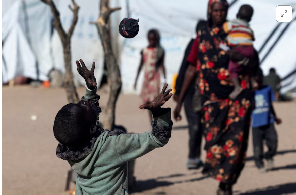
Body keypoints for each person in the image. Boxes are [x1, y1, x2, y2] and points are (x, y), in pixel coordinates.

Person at [173, 0, 259, 194]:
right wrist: (179, 102)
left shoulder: (236, 32)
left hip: (238, 97)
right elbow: (192, 67)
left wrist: (244, 60)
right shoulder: (202, 36)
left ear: (227, 12)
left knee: (235, 143)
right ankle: (222, 179)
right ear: (209, 11)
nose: (219, 14)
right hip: (211, 99)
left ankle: (225, 185)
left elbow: (253, 58)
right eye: (215, 10)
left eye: (222, 10)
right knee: (213, 142)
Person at [53, 59, 173, 195]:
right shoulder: (112, 145)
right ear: (92, 128)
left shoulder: (71, 148)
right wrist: (157, 113)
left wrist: (90, 89)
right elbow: (157, 139)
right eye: (82, 107)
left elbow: (87, 122)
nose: (83, 102)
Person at [174, 20, 207, 169]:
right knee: (195, 126)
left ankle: (204, 157)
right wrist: (178, 91)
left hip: (206, 92)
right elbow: (186, 68)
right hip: (190, 92)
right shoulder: (194, 45)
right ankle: (193, 157)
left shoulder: (212, 46)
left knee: (204, 126)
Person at [252, 68, 282, 173]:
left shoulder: (267, 89)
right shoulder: (249, 92)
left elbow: (270, 104)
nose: (257, 82)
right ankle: (260, 164)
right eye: (255, 80)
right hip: (256, 124)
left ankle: (269, 156)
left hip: (269, 122)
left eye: (259, 80)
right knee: (257, 148)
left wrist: (275, 116)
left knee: (274, 142)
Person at [222, 4, 255, 99]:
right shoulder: (249, 28)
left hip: (238, 48)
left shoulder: (231, 24)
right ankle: (253, 80)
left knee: (232, 68)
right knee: (247, 66)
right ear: (250, 19)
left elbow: (224, 28)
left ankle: (237, 87)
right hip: (250, 49)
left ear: (237, 14)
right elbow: (252, 38)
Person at [134, 29, 167, 123]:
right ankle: (152, 122)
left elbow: (162, 65)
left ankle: (156, 120)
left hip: (155, 78)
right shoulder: (144, 51)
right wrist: (136, 80)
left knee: (155, 102)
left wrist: (165, 78)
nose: (151, 41)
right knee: (148, 102)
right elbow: (140, 65)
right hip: (147, 79)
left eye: (153, 39)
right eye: (150, 39)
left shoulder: (160, 51)